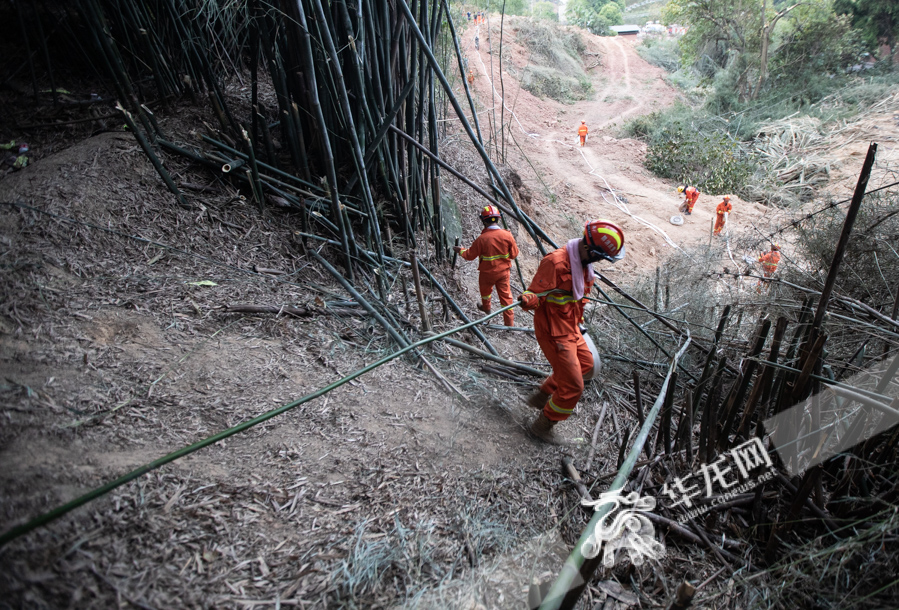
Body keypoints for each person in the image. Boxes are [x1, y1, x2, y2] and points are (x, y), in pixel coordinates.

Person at [520, 220, 626, 443]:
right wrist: (529, 299)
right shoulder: (556, 263)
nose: (601, 262)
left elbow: (575, 299)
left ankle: (542, 395)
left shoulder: (584, 266)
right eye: (601, 256)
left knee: (587, 365)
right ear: (589, 249)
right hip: (554, 331)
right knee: (574, 387)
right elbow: (536, 297)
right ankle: (543, 425)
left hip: (571, 326)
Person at [454, 205, 520, 327]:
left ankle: (487, 309)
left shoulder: (482, 239)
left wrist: (460, 250)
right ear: (498, 219)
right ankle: (509, 324)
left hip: (487, 273)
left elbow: (469, 255)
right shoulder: (507, 235)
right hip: (503, 273)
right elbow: (514, 254)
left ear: (483, 220)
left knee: (485, 292)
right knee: (506, 297)